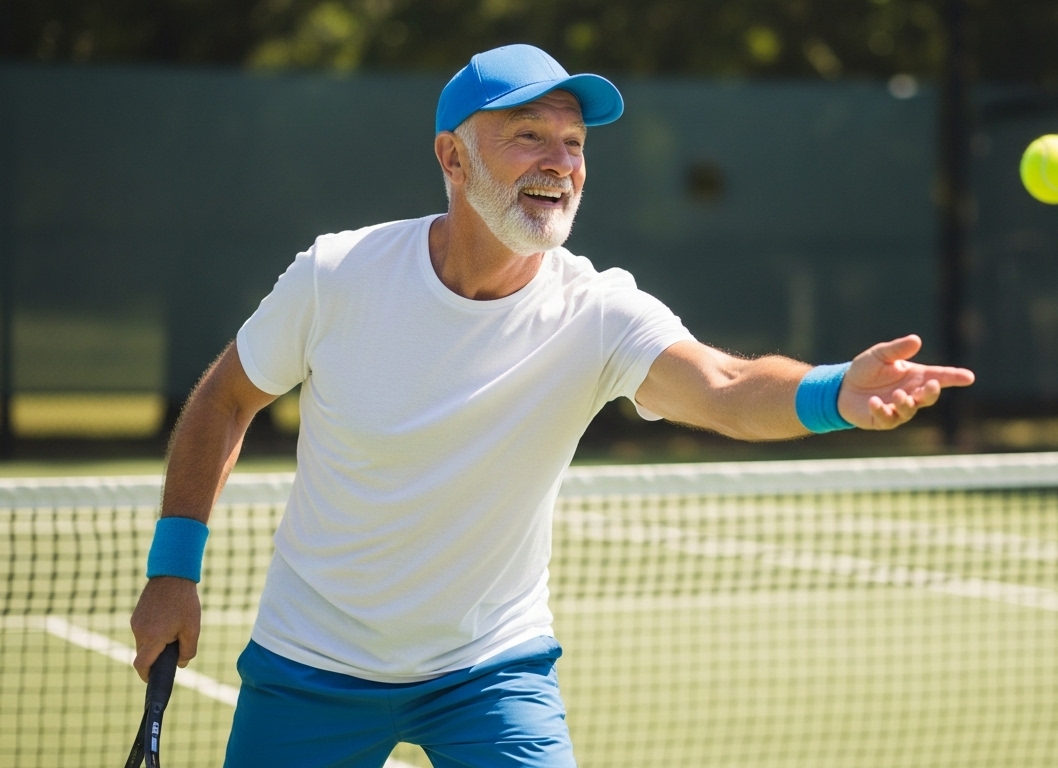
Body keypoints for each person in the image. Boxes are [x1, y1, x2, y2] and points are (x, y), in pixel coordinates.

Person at [129, 43, 975, 768]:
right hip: (310, 663)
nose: (560, 162)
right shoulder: (337, 276)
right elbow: (226, 397)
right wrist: (173, 569)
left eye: (573, 142)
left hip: (489, 672)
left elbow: (722, 388)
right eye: (528, 135)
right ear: (451, 159)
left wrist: (834, 393)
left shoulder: (598, 310)